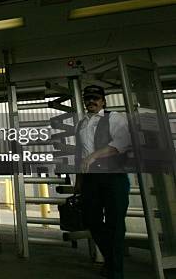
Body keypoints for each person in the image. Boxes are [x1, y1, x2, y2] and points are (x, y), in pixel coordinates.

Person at [75, 85, 131, 279]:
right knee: (92, 220)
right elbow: (79, 155)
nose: (91, 101)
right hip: (91, 180)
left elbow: (122, 143)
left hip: (113, 177)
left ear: (103, 100)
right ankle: (111, 260)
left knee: (115, 224)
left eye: (95, 98)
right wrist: (79, 182)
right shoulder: (82, 123)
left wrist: (93, 157)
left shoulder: (114, 118)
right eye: (88, 98)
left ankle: (116, 272)